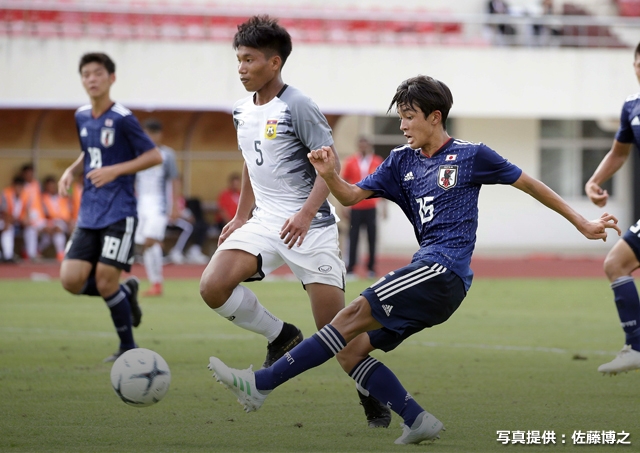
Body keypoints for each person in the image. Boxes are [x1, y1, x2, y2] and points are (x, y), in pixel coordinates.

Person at [207, 75, 621, 445]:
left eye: (408, 117)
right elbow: (350, 197)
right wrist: (330, 174)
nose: (402, 126)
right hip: (428, 276)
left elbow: (530, 184)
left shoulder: (472, 155)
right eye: (400, 118)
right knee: (350, 351)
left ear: (435, 117)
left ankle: (259, 385)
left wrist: (582, 222)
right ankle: (417, 419)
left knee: (346, 318)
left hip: (444, 270)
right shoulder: (400, 162)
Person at [199, 15, 391, 428]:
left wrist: (305, 214)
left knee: (338, 335)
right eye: (238, 60)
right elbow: (252, 162)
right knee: (213, 286)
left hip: (312, 229)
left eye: (249, 60)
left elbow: (329, 165)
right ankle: (279, 335)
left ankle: (369, 394)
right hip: (266, 222)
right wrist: (240, 215)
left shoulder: (298, 105)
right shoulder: (240, 110)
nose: (241, 68)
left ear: (274, 62)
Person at [57, 52, 162, 362]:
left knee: (104, 280)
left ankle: (127, 348)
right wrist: (70, 171)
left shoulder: (122, 118)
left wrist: (116, 170)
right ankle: (126, 292)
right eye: (86, 74)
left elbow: (153, 156)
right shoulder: (81, 116)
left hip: (119, 211)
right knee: (70, 280)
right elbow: (89, 154)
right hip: (89, 211)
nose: (91, 78)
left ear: (111, 78)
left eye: (98, 73)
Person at [584, 42, 640, 375]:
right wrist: (594, 181)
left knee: (616, 262)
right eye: (639, 62)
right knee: (616, 263)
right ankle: (635, 345)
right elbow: (619, 152)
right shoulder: (632, 108)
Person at [134, 118, 180, 296]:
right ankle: (155, 283)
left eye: (154, 133)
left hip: (158, 205)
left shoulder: (167, 154)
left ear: (160, 135)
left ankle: (157, 282)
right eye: (147, 133)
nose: (151, 137)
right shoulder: (137, 153)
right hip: (140, 205)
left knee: (150, 240)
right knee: (145, 244)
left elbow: (174, 180)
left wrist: (175, 206)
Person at [342, 137, 384, 278]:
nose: (363, 147)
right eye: (361, 145)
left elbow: (383, 184)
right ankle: (351, 268)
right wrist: (344, 204)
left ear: (369, 146)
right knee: (353, 237)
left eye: (365, 145)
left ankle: (371, 268)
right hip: (355, 205)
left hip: (371, 205)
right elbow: (345, 182)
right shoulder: (351, 161)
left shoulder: (376, 161)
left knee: (371, 237)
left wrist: (383, 205)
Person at [0, 175, 42, 262]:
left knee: (31, 229)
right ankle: (8, 256)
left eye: (21, 186)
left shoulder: (26, 195)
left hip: (19, 222)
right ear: (13, 186)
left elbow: (27, 211)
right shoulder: (6, 193)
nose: (18, 188)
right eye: (17, 186)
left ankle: (32, 254)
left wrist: (25, 221)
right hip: (6, 220)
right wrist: (9, 221)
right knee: (8, 229)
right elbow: (4, 212)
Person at [39, 175, 73, 262]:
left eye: (53, 186)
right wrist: (50, 225)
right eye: (49, 186)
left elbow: (67, 212)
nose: (51, 188)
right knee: (50, 236)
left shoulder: (62, 197)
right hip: (48, 223)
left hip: (63, 222)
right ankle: (60, 253)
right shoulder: (42, 198)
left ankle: (60, 253)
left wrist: (68, 223)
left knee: (59, 231)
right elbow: (43, 214)